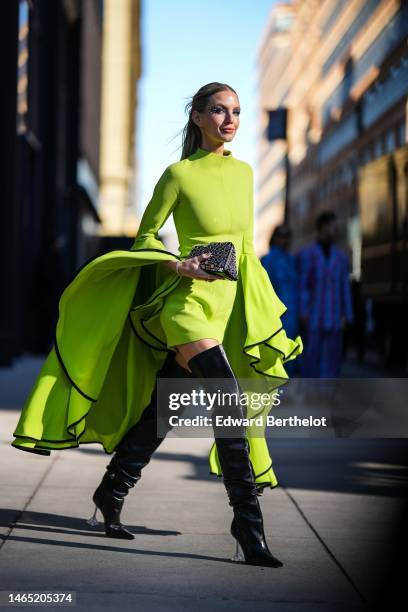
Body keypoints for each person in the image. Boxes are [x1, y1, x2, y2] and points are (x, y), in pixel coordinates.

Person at [11, 82, 303, 567]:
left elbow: (246, 251)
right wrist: (178, 266)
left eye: (235, 111)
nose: (229, 119)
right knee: (227, 399)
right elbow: (146, 235)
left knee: (164, 409)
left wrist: (259, 311)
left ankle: (112, 488)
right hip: (186, 308)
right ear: (197, 116)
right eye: (218, 110)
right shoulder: (179, 175)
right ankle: (248, 525)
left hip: (227, 305)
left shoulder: (246, 173)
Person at [296, 210, 353, 378]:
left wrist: (347, 315)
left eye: (335, 227)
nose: (334, 230)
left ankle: (328, 392)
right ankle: (310, 391)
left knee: (333, 356)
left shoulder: (341, 258)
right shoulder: (308, 255)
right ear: (321, 228)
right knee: (311, 355)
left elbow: (345, 288)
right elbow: (303, 285)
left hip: (335, 317)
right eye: (331, 226)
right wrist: (303, 311)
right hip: (314, 316)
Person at [261, 226, 299, 376]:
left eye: (288, 236)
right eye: (282, 236)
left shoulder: (292, 260)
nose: (285, 240)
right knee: (274, 352)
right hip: (274, 315)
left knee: (291, 351)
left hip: (292, 315)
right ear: (274, 238)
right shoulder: (267, 260)